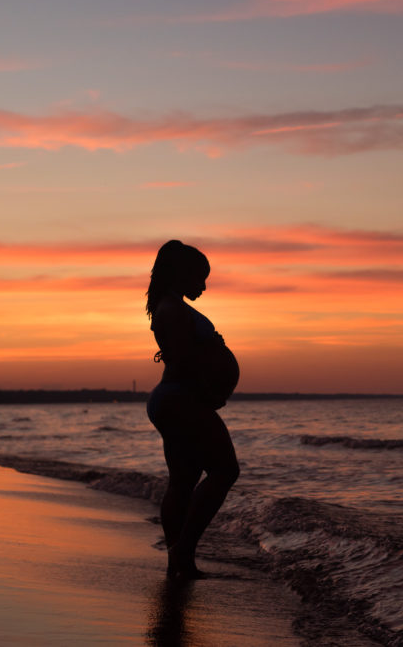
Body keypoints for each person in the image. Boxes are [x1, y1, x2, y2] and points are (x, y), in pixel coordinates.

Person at [145, 240, 240, 580]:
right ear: (182, 273)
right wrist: (208, 390)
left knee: (183, 481)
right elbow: (183, 359)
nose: (203, 286)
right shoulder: (172, 309)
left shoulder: (170, 305)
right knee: (225, 471)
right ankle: (183, 549)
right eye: (200, 278)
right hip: (181, 397)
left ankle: (179, 561)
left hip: (175, 398)